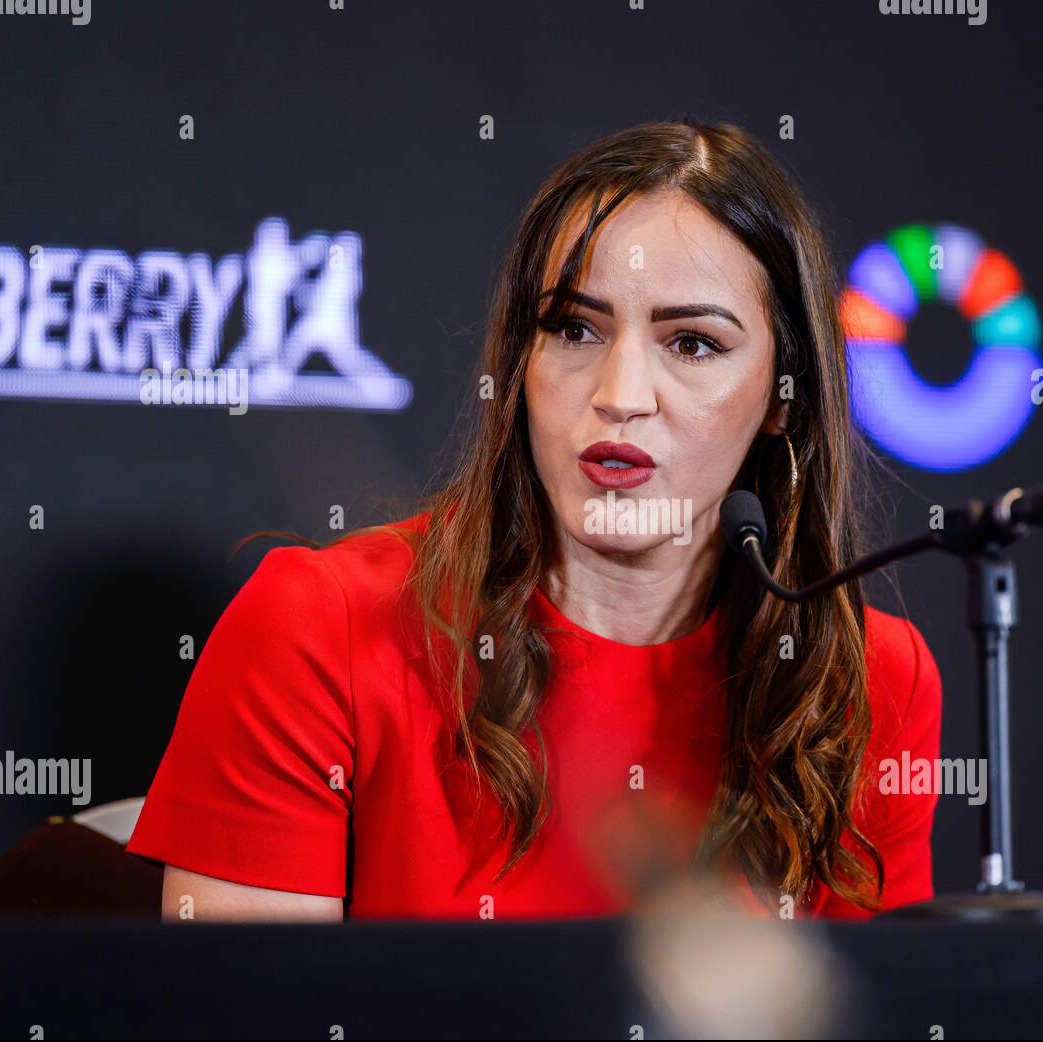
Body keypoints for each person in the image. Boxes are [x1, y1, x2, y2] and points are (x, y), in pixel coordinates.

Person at [126, 117, 943, 923]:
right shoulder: (320, 627)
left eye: (692, 343)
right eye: (574, 328)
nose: (620, 394)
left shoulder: (869, 679)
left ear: (781, 397)